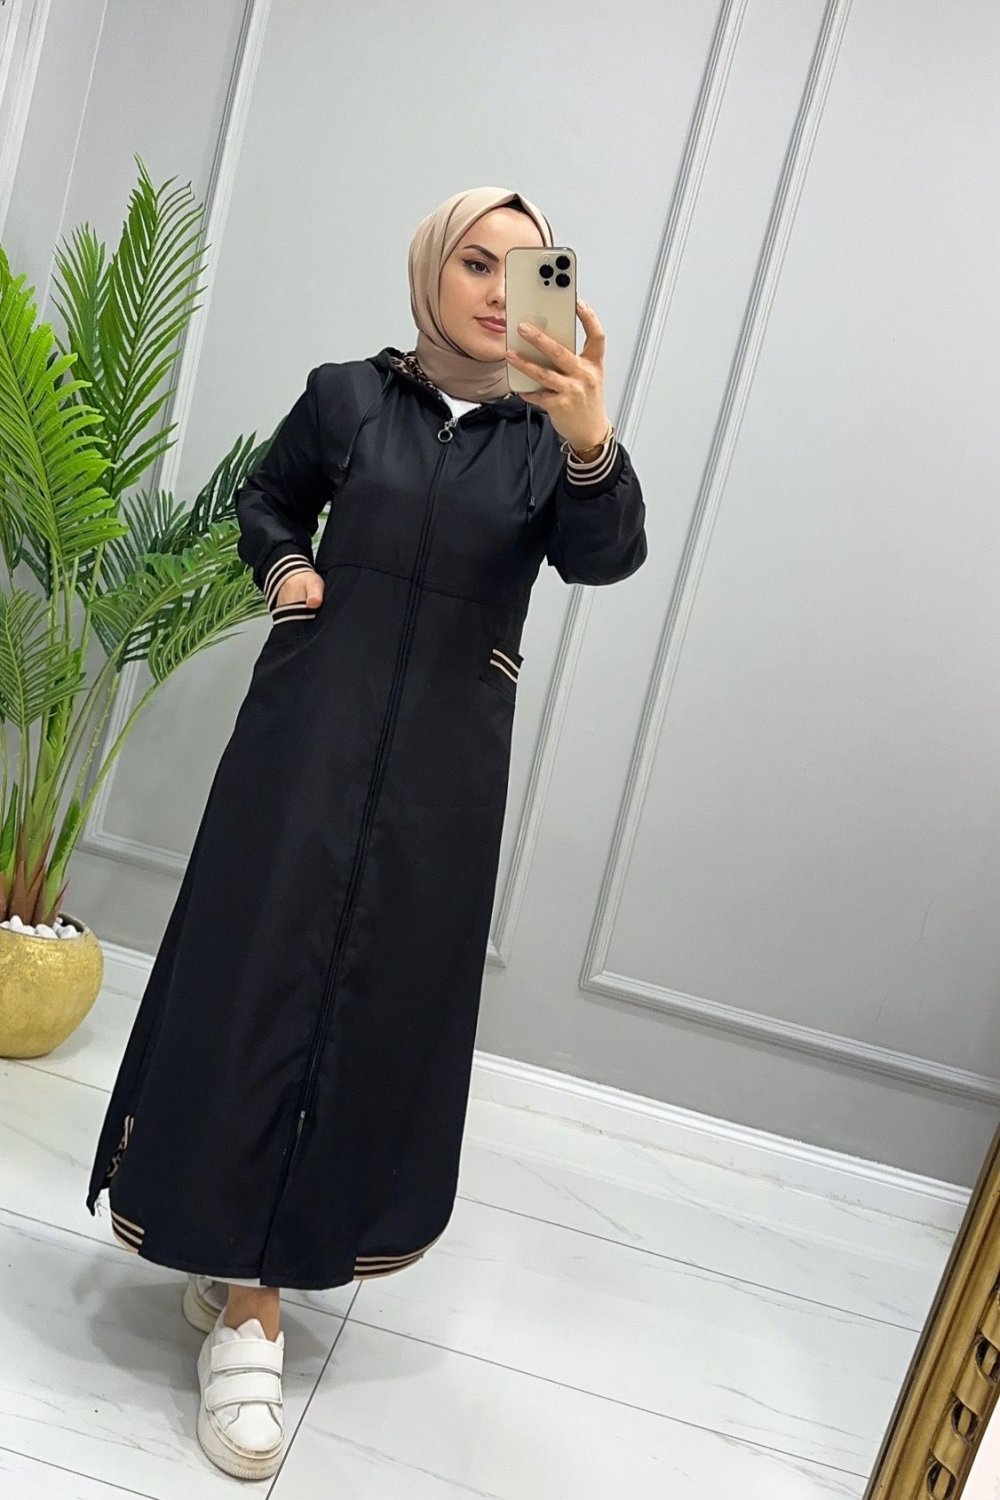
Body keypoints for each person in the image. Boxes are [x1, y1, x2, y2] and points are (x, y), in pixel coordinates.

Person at [84, 185, 647, 1480]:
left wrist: (590, 438)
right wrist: (290, 574)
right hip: (303, 740)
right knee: (257, 983)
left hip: (445, 771)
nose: (500, 290)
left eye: (529, 268)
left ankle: (254, 1258)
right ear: (430, 270)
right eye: (476, 260)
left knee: (372, 1004)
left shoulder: (544, 438)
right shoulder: (348, 397)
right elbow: (267, 502)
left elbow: (603, 557)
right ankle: (252, 1309)